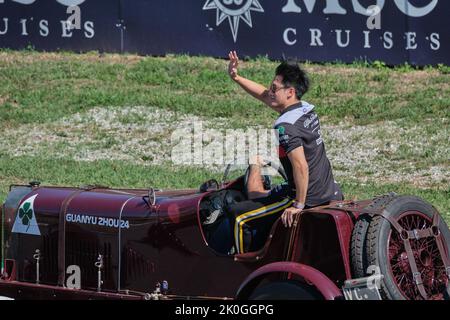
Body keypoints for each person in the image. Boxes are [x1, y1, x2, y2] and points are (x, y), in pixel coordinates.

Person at [226, 51, 343, 254]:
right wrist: (236, 77)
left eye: (274, 88)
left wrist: (298, 205)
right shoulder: (305, 109)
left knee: (239, 217)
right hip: (326, 187)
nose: (270, 91)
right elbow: (263, 94)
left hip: (307, 196)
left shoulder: (285, 126)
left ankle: (244, 268)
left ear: (289, 92)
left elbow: (300, 166)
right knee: (255, 196)